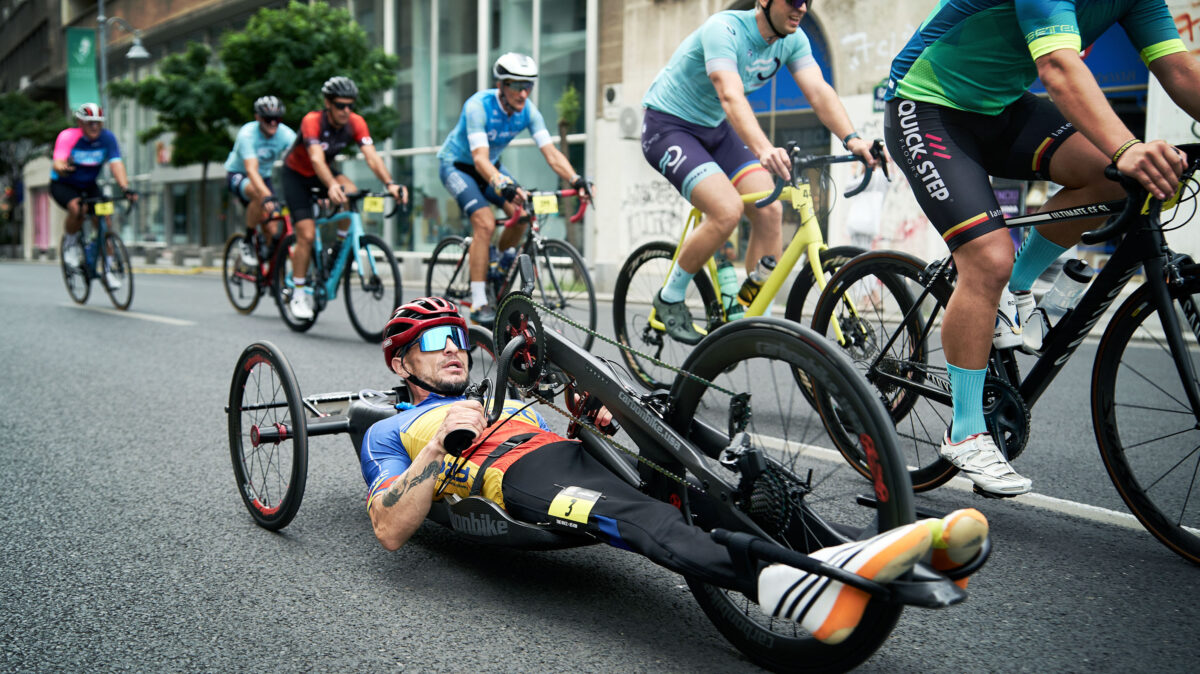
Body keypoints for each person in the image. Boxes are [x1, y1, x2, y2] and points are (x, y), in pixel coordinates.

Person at [359, 296, 990, 645]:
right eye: (434, 341)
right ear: (401, 365)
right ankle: (783, 584)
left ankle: (871, 554)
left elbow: (579, 429)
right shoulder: (391, 430)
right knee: (641, 518)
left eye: (456, 337)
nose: (454, 349)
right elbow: (387, 527)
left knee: (708, 489)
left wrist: (597, 420)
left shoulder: (498, 391)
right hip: (517, 482)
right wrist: (436, 447)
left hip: (570, 455)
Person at [883, 0, 1200, 497]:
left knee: (1110, 180)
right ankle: (965, 430)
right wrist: (1129, 146)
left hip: (1001, 108)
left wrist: (1122, 155)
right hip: (927, 107)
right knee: (986, 258)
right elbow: (1057, 67)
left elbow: (1180, 70)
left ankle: (1018, 289)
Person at [641, 0, 879, 344]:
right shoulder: (724, 29)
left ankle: (749, 310)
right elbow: (730, 94)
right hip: (668, 125)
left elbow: (818, 90)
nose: (802, 8)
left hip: (716, 129)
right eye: (794, 0)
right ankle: (669, 296)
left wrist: (852, 139)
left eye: (808, 1)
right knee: (727, 211)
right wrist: (764, 148)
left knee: (769, 209)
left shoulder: (793, 39)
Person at [437, 52, 590, 327]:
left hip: (490, 166)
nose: (523, 93)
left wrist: (576, 179)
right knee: (483, 222)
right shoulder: (478, 106)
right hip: (458, 166)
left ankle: (495, 264)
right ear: (501, 86)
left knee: (522, 213)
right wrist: (502, 184)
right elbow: (480, 159)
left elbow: (552, 154)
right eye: (517, 86)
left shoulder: (529, 112)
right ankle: (479, 301)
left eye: (528, 85)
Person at [280, 76, 408, 320]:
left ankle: (337, 248)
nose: (346, 110)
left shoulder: (355, 122)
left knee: (350, 192)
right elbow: (316, 158)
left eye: (350, 105)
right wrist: (330, 185)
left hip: (323, 172)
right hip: (296, 175)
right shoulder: (312, 121)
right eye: (340, 105)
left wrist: (390, 183)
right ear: (328, 103)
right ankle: (297, 293)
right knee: (306, 234)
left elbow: (371, 156)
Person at [51, 103, 138, 287]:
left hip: (89, 185)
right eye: (90, 123)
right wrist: (64, 168)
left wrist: (125, 188)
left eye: (98, 123)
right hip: (64, 183)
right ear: (80, 123)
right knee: (78, 208)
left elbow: (116, 163)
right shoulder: (68, 136)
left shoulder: (107, 138)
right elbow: (58, 161)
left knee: (105, 222)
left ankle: (108, 270)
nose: (95, 127)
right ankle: (70, 243)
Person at [224, 95, 296, 268]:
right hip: (239, 174)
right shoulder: (247, 134)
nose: (273, 123)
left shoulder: (286, 134)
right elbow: (251, 169)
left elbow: (299, 160)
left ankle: (270, 272)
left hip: (264, 177)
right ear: (258, 118)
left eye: (277, 119)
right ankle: (247, 240)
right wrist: (266, 195)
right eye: (268, 119)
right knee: (259, 195)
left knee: (272, 228)